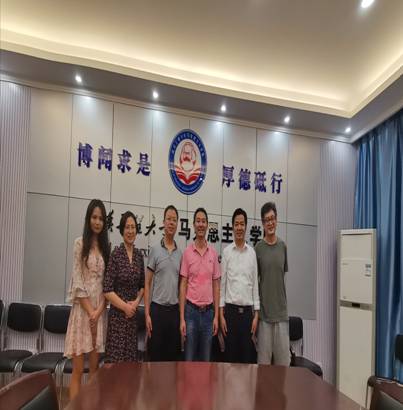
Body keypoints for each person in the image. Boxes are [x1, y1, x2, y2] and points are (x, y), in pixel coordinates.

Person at [64, 199, 110, 400]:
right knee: (77, 371)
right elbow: (77, 281)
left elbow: (107, 284)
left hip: (99, 313)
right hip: (83, 313)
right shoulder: (79, 243)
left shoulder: (106, 247)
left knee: (93, 370)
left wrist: (98, 312)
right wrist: (91, 312)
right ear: (88, 219)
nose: (97, 222)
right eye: (94, 217)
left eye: (101, 218)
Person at [179, 207, 221, 361]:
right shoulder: (187, 253)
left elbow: (216, 286)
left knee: (206, 361)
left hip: (209, 315)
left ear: (207, 225)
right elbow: (183, 285)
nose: (201, 224)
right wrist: (182, 318)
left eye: (203, 221)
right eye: (198, 221)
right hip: (191, 313)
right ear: (194, 225)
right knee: (189, 360)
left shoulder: (213, 254)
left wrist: (216, 317)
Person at [103, 211, 145, 363]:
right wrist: (125, 307)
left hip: (132, 318)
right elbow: (107, 289)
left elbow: (142, 286)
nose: (130, 231)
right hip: (117, 319)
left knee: (130, 365)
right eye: (127, 227)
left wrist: (136, 302)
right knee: (115, 366)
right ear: (122, 230)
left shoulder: (139, 256)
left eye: (133, 227)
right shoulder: (116, 254)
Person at [220, 208, 259, 363]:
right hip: (230, 314)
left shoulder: (252, 253)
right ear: (232, 226)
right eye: (236, 224)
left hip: (247, 316)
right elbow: (222, 285)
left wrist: (256, 315)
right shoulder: (227, 252)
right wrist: (221, 315)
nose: (239, 227)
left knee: (246, 361)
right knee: (230, 360)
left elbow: (255, 285)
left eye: (242, 224)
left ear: (246, 226)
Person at [144, 205, 182, 361]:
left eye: (174, 220)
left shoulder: (180, 254)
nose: (171, 223)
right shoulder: (155, 249)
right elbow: (147, 283)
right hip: (157, 311)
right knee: (156, 358)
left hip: (174, 312)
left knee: (172, 360)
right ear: (163, 222)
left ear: (177, 224)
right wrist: (147, 314)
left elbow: (181, 287)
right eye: (169, 219)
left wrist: (181, 317)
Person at [255, 202, 290, 365]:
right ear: (263, 223)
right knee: (263, 367)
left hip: (281, 315)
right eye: (266, 220)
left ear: (276, 220)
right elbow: (256, 281)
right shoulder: (258, 248)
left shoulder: (283, 246)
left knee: (283, 366)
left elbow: (281, 276)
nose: (270, 223)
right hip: (264, 316)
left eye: (272, 218)